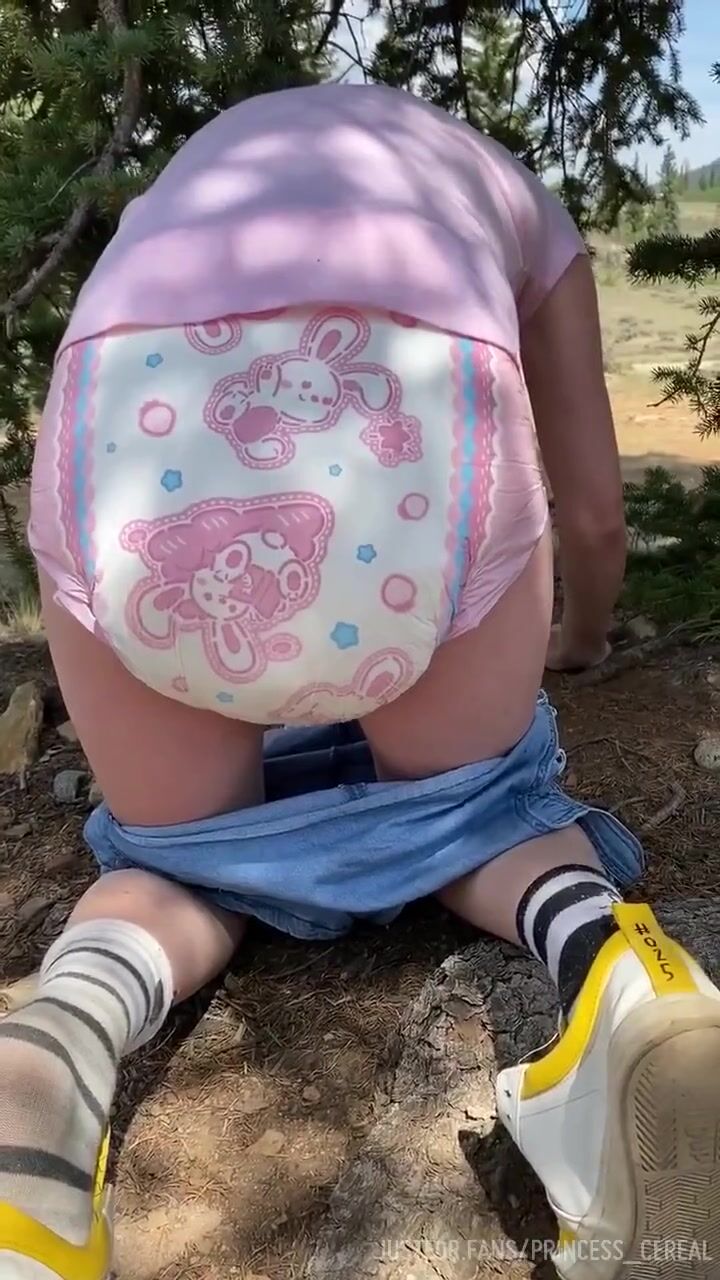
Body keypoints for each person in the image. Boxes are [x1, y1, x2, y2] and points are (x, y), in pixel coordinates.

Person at [2, 83, 719, 1280]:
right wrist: (581, 639)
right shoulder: (525, 207)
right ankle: (627, 979)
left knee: (177, 853)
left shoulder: (199, 169)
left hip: (122, 417)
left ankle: (46, 1066)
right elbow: (596, 514)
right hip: (420, 407)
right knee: (477, 806)